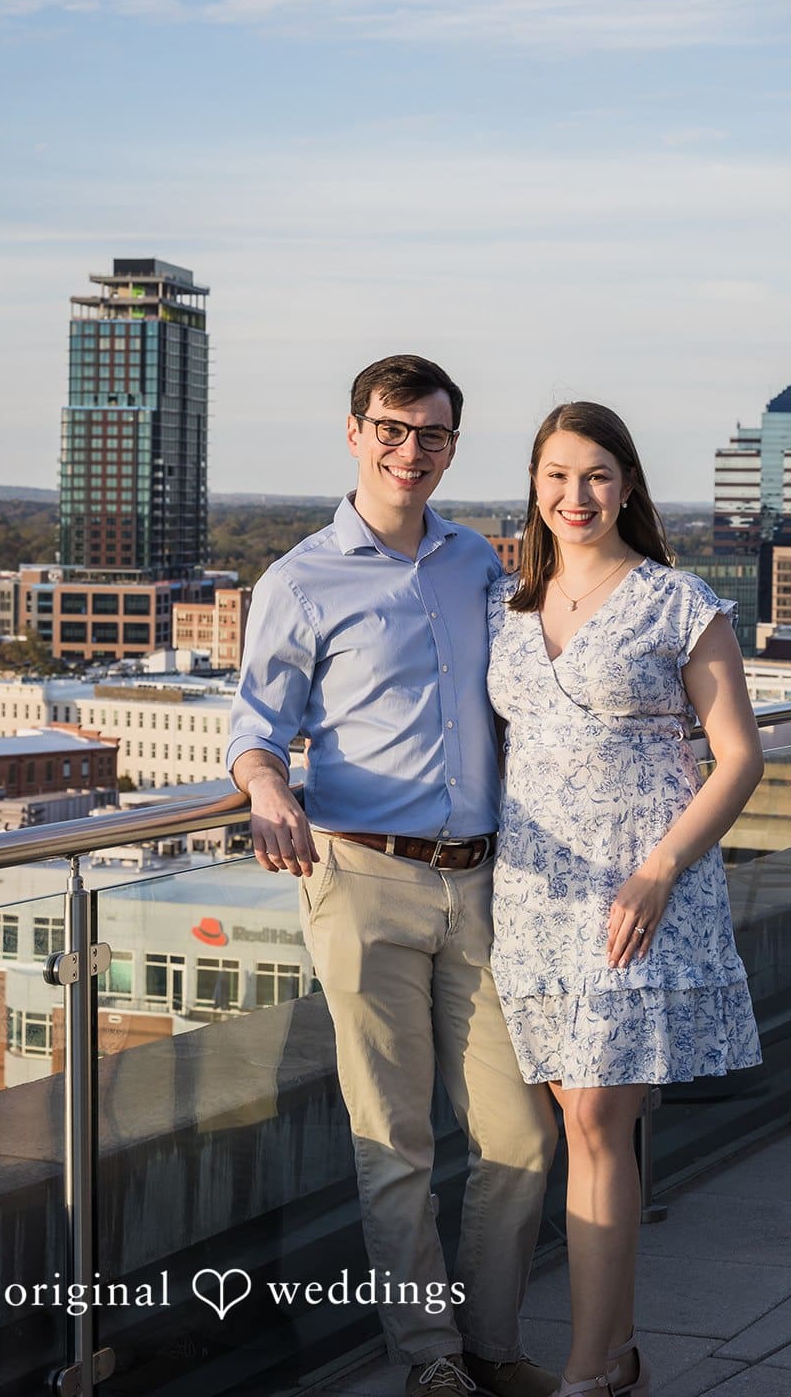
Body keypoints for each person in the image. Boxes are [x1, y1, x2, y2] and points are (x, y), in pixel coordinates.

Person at [227, 355, 559, 1397]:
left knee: (520, 1132)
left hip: (484, 881)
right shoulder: (299, 579)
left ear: (452, 446)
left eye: (432, 435)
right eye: (392, 429)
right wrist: (265, 789)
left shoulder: (476, 566)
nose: (409, 452)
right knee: (396, 1138)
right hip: (362, 878)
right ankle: (429, 1357)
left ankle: (493, 1342)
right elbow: (255, 727)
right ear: (353, 431)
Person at [487, 402, 764, 1397]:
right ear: (533, 485)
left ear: (628, 486)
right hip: (530, 899)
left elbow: (739, 759)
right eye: (556, 475)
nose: (574, 495)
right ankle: (618, 1355)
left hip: (638, 892)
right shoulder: (507, 606)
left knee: (598, 1122)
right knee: (578, 1122)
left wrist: (657, 870)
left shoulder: (675, 600)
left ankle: (588, 1369)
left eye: (595, 475)